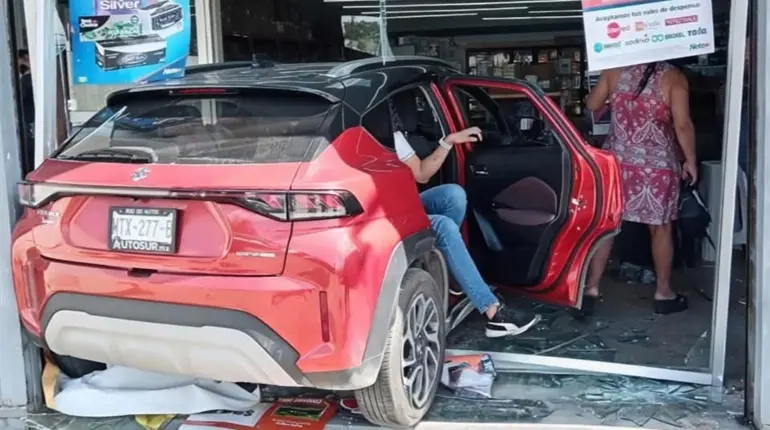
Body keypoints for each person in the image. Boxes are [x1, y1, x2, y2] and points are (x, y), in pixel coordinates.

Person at [389, 100, 541, 338]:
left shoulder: (391, 135)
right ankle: (493, 312)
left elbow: (420, 173)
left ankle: (450, 272)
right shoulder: (351, 140)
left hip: (404, 202)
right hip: (384, 213)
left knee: (452, 195)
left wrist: (448, 141)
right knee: (443, 225)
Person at [583, 62, 697, 316]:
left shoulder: (614, 71)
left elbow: (592, 105)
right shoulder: (673, 77)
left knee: (609, 226)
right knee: (661, 227)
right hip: (657, 164)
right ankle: (663, 293)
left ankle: (591, 288)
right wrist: (690, 160)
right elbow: (682, 124)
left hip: (618, 162)